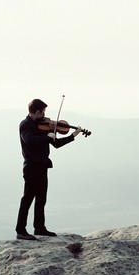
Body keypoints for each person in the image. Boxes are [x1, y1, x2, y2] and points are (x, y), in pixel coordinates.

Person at [15, 98, 83, 240]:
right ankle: (20, 230)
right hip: (31, 166)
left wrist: (72, 136)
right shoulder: (25, 125)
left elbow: (56, 143)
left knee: (41, 198)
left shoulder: (42, 126)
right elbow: (30, 140)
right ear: (37, 111)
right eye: (43, 112)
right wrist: (47, 137)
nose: (45, 115)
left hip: (42, 166)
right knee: (27, 199)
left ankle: (39, 228)